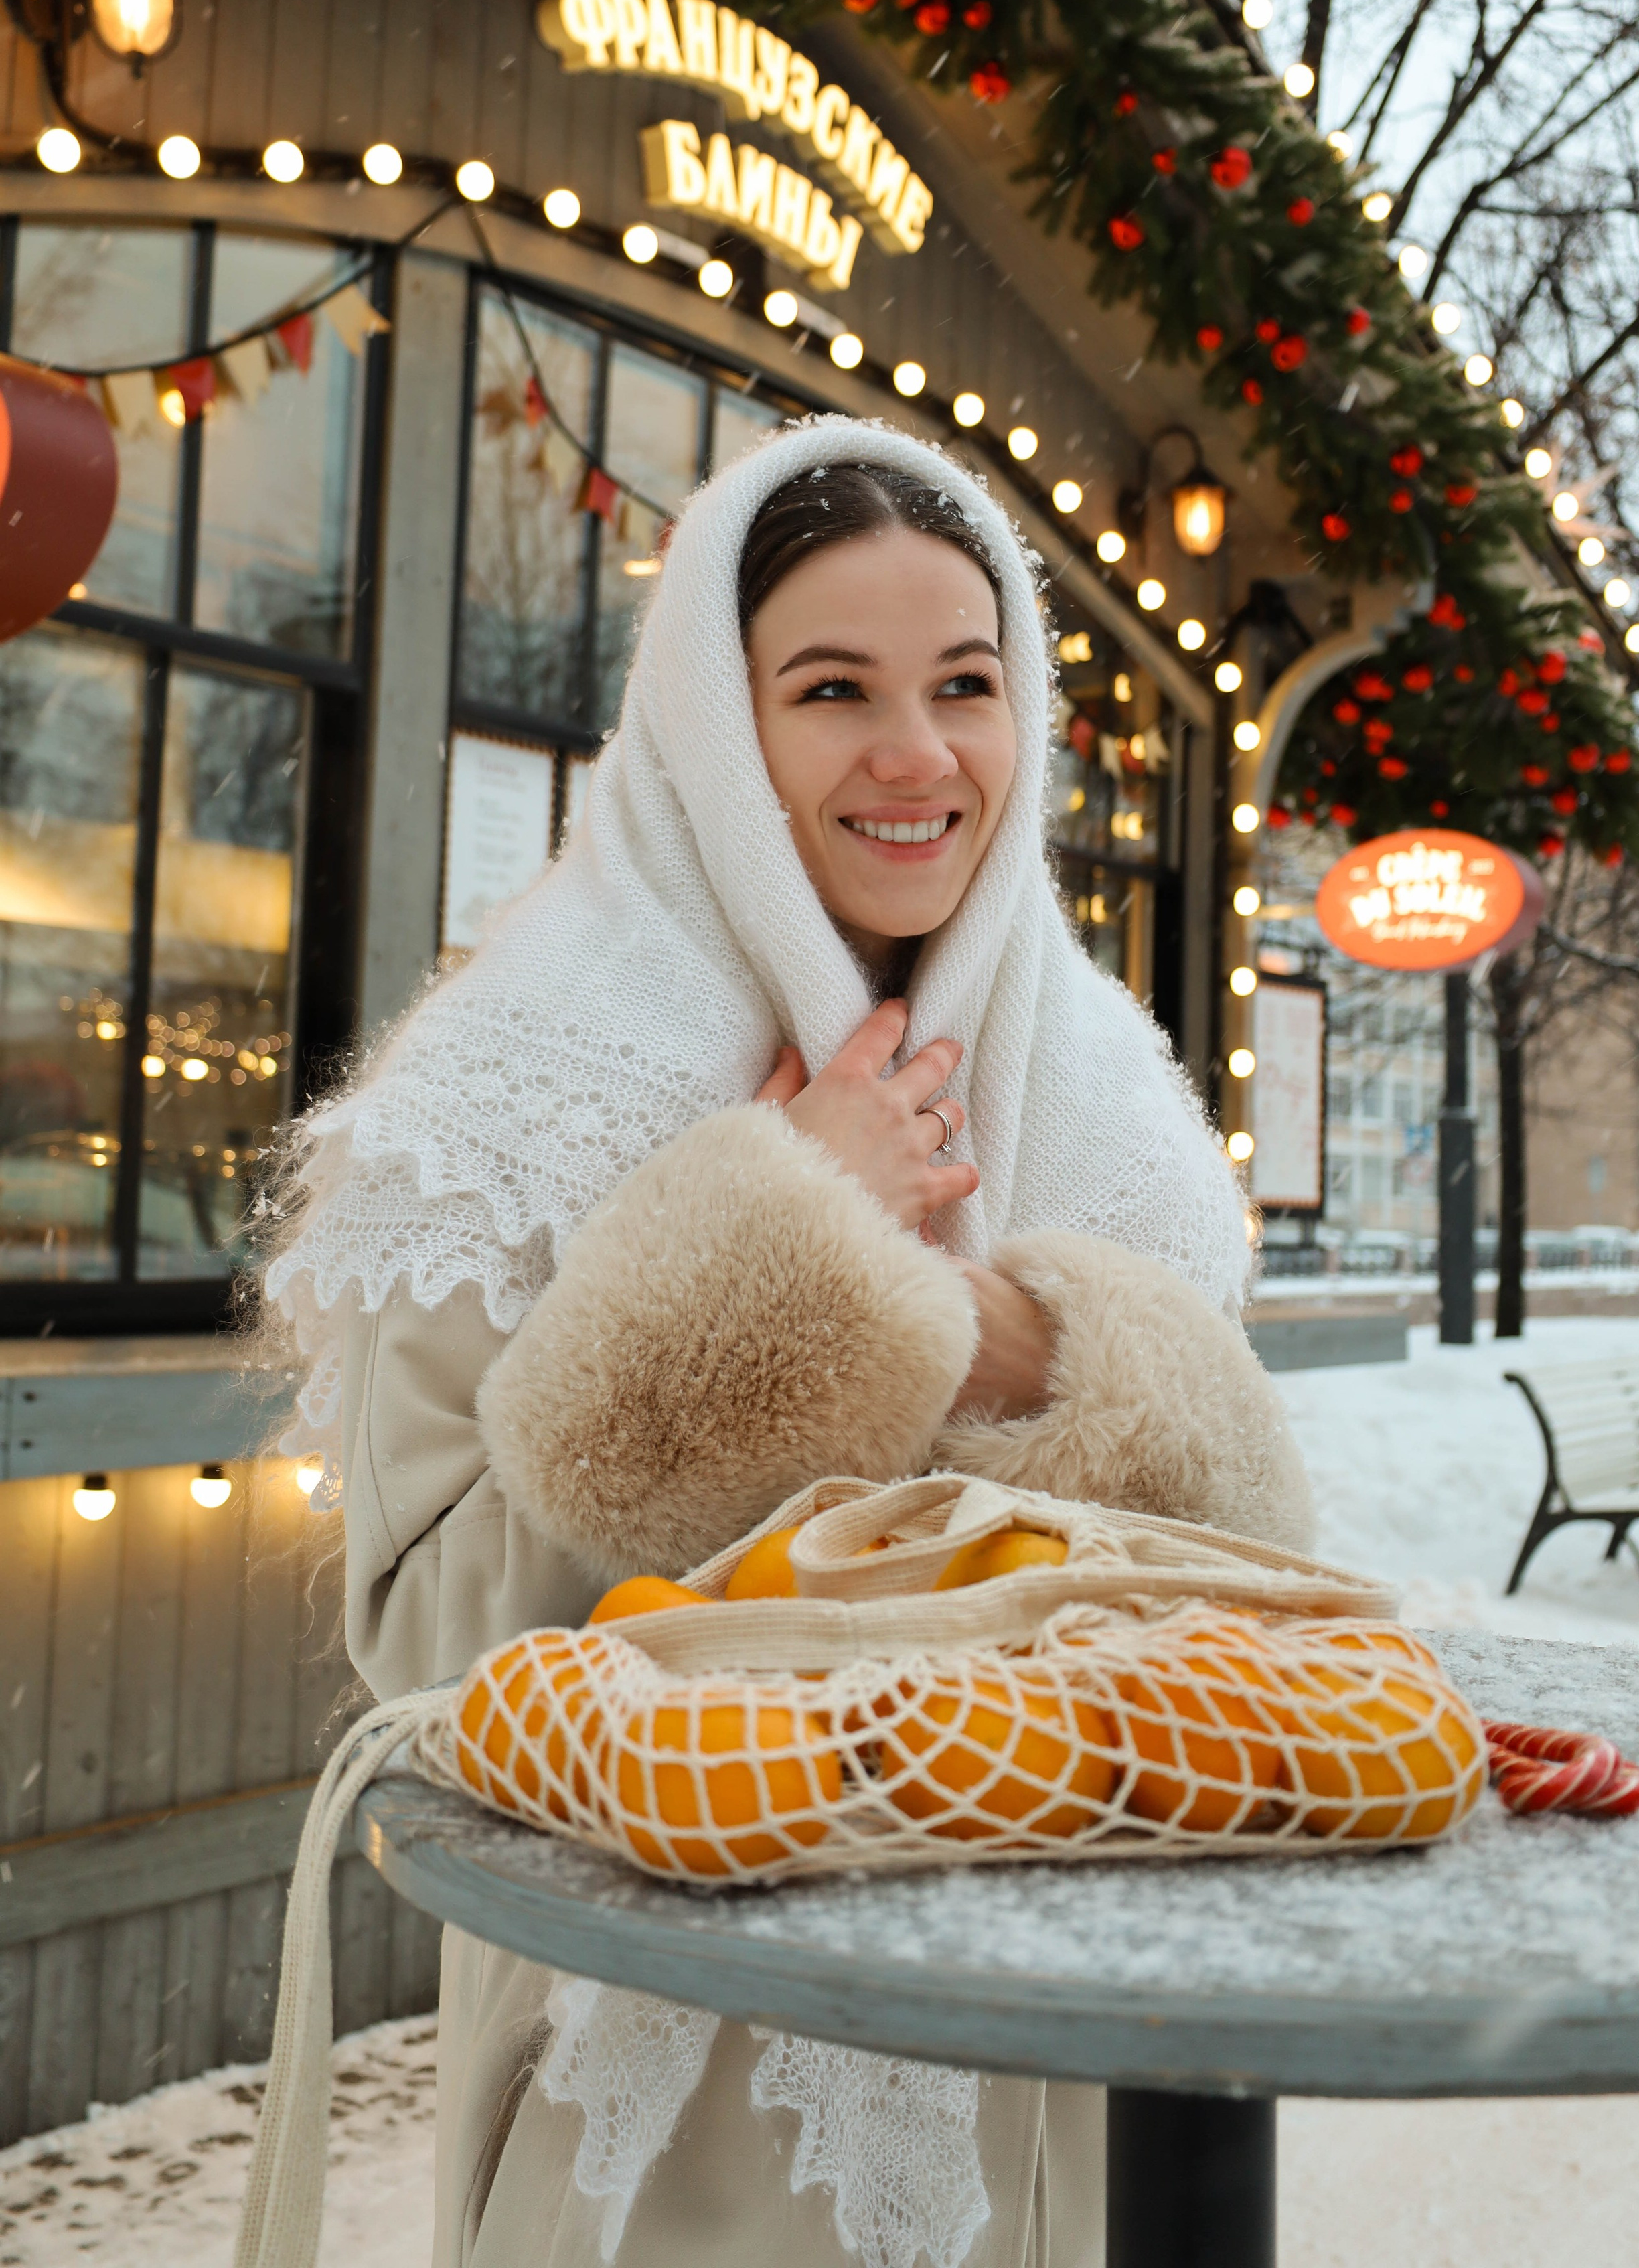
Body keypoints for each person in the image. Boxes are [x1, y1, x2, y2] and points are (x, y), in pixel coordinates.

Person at [265, 417, 1313, 2268]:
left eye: (967, 686)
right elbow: (434, 1649)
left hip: (1063, 2106)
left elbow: (1251, 1609)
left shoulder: (1100, 1093)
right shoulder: (514, 1091)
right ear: (712, 729)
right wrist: (783, 1230)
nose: (918, 757)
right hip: (672, 2130)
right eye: (834, 690)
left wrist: (1009, 1344)